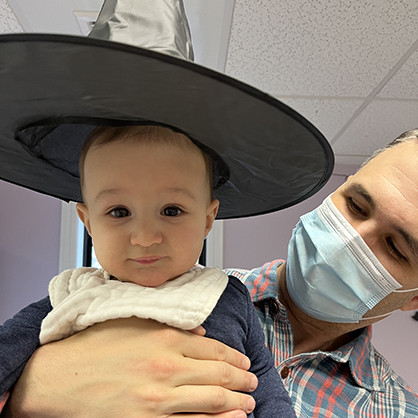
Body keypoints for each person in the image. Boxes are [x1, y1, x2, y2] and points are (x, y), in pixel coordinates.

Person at [2, 130, 418, 418]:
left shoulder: (398, 409)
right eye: (355, 207)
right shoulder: (77, 295)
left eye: (395, 247)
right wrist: (31, 394)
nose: (145, 237)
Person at [5, 123, 296, 418]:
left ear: (208, 220)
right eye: (119, 212)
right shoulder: (70, 296)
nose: (145, 237)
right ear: (88, 222)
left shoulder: (228, 295)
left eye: (171, 210)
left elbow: (266, 386)